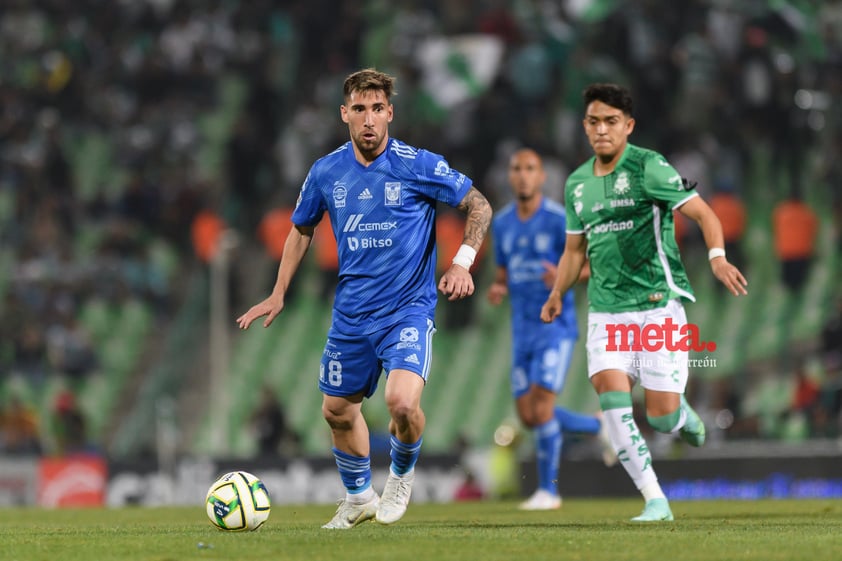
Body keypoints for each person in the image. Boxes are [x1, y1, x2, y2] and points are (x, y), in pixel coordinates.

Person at [236, 68, 492, 529]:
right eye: (359, 109)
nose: (369, 119)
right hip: (352, 315)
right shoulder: (326, 171)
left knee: (401, 404)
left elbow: (479, 204)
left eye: (377, 109)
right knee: (336, 411)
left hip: (407, 311)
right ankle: (358, 498)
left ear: (390, 113)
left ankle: (400, 476)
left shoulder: (417, 164)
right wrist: (278, 293)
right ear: (344, 114)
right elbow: (301, 229)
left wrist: (462, 262)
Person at [540, 83, 747, 522]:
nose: (602, 130)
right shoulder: (577, 184)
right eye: (594, 121)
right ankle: (655, 499)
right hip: (606, 312)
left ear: (628, 126)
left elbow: (704, 214)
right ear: (584, 126)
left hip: (657, 307)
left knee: (661, 417)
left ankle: (680, 414)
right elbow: (574, 251)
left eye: (611, 121)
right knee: (611, 399)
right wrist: (558, 292)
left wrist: (717, 258)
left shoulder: (650, 168)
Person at [486, 148, 615, 511]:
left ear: (542, 177)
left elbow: (594, 265)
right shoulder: (503, 222)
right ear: (510, 177)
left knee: (542, 409)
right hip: (522, 330)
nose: (523, 175)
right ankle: (598, 426)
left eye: (530, 168)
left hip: (555, 328)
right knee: (529, 416)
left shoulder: (560, 219)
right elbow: (501, 270)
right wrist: (498, 286)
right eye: (516, 168)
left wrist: (565, 276)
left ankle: (548, 491)